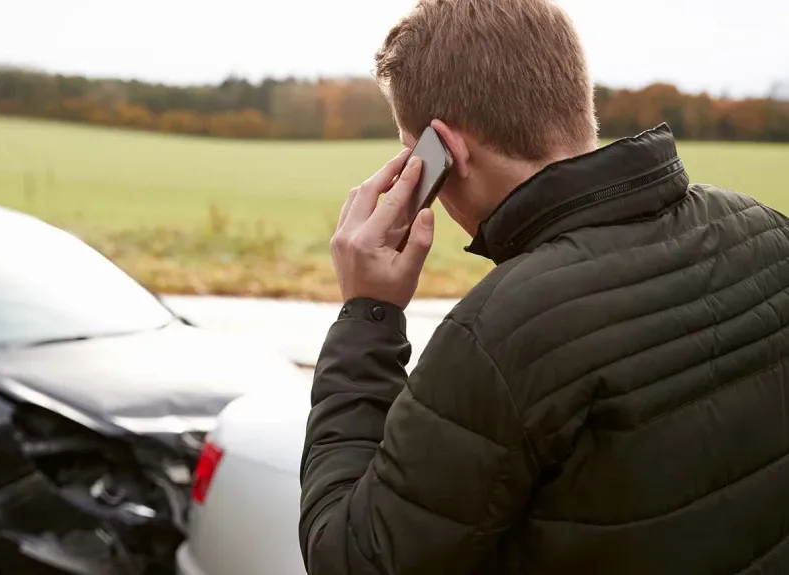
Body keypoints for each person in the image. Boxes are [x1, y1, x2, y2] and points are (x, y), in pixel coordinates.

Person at [298, 0, 789, 574]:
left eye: (416, 160)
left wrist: (367, 315)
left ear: (446, 153)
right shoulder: (765, 229)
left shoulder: (498, 335)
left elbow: (353, 557)